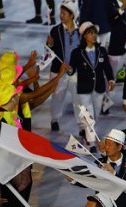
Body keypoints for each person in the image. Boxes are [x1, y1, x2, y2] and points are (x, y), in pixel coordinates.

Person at [68, 21, 115, 147]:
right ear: (84, 36)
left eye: (94, 33)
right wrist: (69, 70)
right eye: (90, 33)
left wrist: (111, 79)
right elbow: (71, 69)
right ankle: (91, 142)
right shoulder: (77, 53)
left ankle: (85, 131)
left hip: (99, 88)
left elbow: (107, 67)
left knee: (96, 116)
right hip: (83, 88)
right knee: (89, 114)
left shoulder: (102, 51)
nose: (94, 36)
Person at [46, 1, 79, 131]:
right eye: (60, 12)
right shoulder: (55, 30)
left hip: (75, 72)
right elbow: (50, 51)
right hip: (58, 71)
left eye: (64, 13)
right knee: (57, 97)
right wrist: (50, 44)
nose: (61, 15)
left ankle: (82, 125)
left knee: (79, 99)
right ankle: (54, 120)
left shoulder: (80, 31)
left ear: (72, 15)